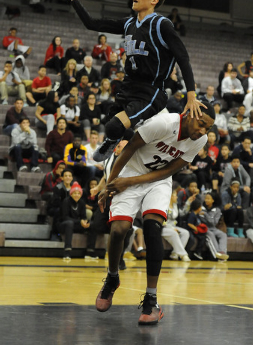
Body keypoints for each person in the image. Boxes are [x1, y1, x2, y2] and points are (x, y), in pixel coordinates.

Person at [50, 0, 203, 162]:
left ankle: (126, 143)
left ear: (154, 1)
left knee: (113, 127)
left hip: (150, 91)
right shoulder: (129, 23)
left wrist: (191, 95)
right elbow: (92, 24)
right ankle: (121, 139)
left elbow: (183, 57)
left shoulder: (162, 25)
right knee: (112, 125)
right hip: (128, 86)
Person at [89, 104, 215, 324]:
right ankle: (112, 278)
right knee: (119, 229)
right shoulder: (163, 123)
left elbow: (168, 171)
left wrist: (131, 182)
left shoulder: (200, 141)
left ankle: (151, 299)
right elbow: (127, 150)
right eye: (202, 124)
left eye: (208, 128)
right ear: (188, 115)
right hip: (131, 170)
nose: (203, 131)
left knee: (152, 228)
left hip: (158, 181)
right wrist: (109, 185)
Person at [57, 182, 91, 261]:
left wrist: (85, 222)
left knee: (91, 225)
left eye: (78, 193)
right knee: (69, 223)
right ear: (71, 194)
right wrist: (80, 221)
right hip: (63, 224)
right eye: (74, 193)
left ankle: (90, 252)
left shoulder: (82, 203)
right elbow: (65, 217)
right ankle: (67, 252)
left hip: (75, 224)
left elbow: (83, 216)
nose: (76, 195)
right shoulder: (66, 201)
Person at [162, 189, 191, 262]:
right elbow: (162, 220)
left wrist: (188, 202)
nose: (177, 197)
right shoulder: (163, 206)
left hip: (173, 227)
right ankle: (183, 254)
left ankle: (174, 253)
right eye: (175, 196)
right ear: (170, 196)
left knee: (185, 233)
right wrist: (171, 228)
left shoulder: (175, 205)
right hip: (163, 227)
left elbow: (182, 213)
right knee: (174, 233)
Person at [202, 192, 229, 261]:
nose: (206, 200)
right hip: (204, 228)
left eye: (208, 198)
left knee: (223, 234)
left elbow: (213, 223)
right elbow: (202, 221)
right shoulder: (201, 208)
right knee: (210, 234)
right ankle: (217, 255)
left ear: (213, 200)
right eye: (205, 198)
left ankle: (222, 252)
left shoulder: (217, 210)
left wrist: (205, 215)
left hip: (213, 228)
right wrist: (208, 217)